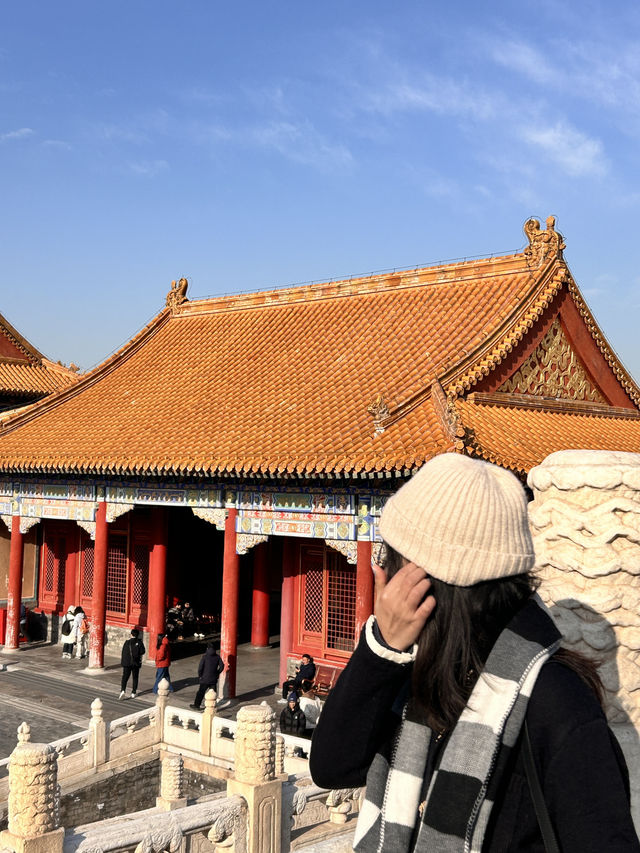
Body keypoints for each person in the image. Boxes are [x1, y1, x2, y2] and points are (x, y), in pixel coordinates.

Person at [310, 453, 640, 852]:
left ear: (424, 580)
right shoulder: (411, 666)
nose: (384, 577)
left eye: (391, 561)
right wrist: (382, 649)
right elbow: (331, 767)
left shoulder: (556, 702)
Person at [189, 643, 224, 710]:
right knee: (213, 693)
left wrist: (200, 675)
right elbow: (222, 666)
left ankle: (197, 705)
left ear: (207, 648)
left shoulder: (205, 657)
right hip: (213, 679)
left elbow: (200, 667)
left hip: (204, 679)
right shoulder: (217, 657)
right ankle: (212, 707)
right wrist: (217, 673)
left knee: (200, 693)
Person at [119, 628, 146, 700]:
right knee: (135, 677)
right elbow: (143, 651)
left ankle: (123, 690)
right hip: (135, 663)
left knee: (125, 677)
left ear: (131, 634)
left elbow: (123, 653)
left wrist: (123, 663)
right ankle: (133, 692)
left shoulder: (127, 642)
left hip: (127, 663)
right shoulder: (139, 642)